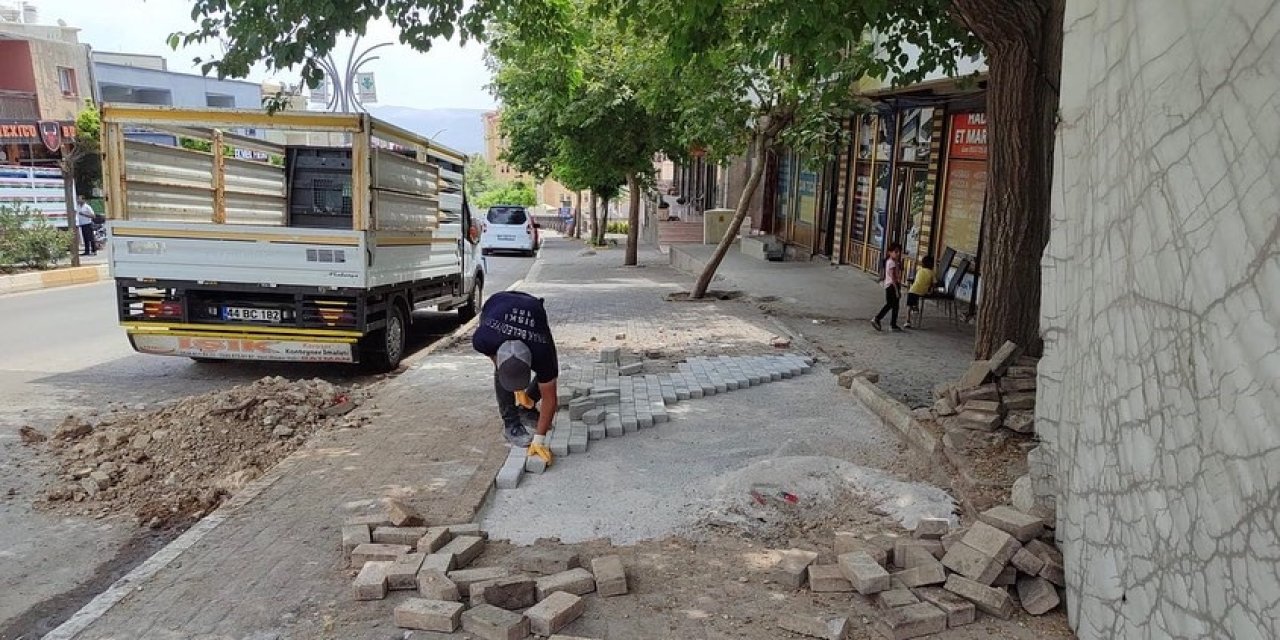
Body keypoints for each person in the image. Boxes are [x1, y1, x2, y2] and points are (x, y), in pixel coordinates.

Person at [471, 290, 559, 466]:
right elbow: (496, 361)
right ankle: (511, 422)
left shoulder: (542, 351)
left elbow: (551, 399)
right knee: (503, 370)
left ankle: (526, 408)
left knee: (550, 374)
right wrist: (510, 377)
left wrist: (539, 440)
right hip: (497, 303)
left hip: (532, 308)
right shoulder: (483, 339)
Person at [871, 242, 904, 332]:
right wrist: (897, 290)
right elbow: (893, 277)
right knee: (891, 305)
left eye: (899, 252)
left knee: (893, 305)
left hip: (889, 285)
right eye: (896, 252)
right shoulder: (891, 263)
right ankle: (878, 318)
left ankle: (892, 324)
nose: (898, 254)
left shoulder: (893, 262)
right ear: (890, 252)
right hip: (892, 286)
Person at [904, 255, 935, 329]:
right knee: (917, 296)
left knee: (909, 306)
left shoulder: (919, 270)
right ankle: (915, 308)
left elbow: (916, 280)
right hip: (923, 292)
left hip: (913, 290)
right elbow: (935, 284)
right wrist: (931, 289)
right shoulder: (932, 273)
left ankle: (908, 321)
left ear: (923, 264)